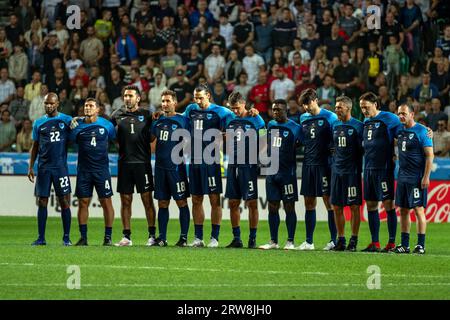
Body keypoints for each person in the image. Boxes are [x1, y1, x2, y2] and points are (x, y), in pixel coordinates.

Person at [111, 85, 157, 246]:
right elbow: (112, 137)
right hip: (124, 163)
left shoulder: (147, 115)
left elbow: (152, 138)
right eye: (125, 96)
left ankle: (152, 236)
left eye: (131, 96)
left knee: (147, 200)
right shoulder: (116, 115)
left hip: (142, 163)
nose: (127, 98)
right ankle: (126, 237)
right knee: (125, 200)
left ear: (138, 98)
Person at [359, 92, 402, 252]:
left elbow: (403, 132)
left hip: (384, 169)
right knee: (371, 205)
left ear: (375, 104)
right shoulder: (365, 120)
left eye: (367, 107)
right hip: (368, 168)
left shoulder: (389, 118)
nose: (364, 110)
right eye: (362, 107)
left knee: (388, 204)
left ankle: (391, 242)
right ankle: (375, 243)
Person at [28, 93, 72, 246]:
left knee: (64, 201)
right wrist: (31, 166)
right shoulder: (38, 123)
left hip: (60, 167)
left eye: (51, 103)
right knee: (42, 201)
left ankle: (66, 238)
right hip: (44, 168)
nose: (48, 106)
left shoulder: (66, 120)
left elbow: (76, 132)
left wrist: (76, 123)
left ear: (57, 103)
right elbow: (35, 146)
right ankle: (41, 238)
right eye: (46, 103)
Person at [70, 98, 116, 246]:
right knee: (83, 202)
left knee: (106, 201)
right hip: (84, 171)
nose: (88, 108)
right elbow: (70, 140)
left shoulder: (107, 125)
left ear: (98, 109)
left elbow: (115, 140)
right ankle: (83, 238)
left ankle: (108, 237)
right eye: (86, 106)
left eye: (91, 106)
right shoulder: (77, 126)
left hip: (102, 170)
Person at [298, 88, 338, 251]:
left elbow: (339, 133)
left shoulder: (330, 116)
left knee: (329, 202)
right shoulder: (303, 118)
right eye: (303, 105)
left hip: (324, 165)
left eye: (307, 103)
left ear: (315, 100)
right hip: (308, 164)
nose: (306, 107)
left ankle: (333, 240)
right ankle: (309, 241)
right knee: (308, 202)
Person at [259, 99, 302, 250]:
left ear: (287, 111)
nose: (276, 112)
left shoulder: (295, 127)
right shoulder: (270, 125)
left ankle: (290, 241)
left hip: (287, 174)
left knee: (289, 206)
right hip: (271, 173)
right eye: (274, 110)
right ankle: (273, 241)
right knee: (272, 206)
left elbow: (302, 144)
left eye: (279, 110)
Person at [150, 90, 191, 247]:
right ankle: (162, 238)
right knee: (162, 203)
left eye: (168, 101)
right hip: (160, 168)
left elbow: (190, 140)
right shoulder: (158, 121)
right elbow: (152, 141)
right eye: (163, 101)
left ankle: (184, 238)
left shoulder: (183, 120)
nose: (165, 104)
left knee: (181, 201)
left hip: (176, 168)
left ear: (175, 102)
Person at [224, 91, 265, 249]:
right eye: (232, 108)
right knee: (233, 202)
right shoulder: (230, 119)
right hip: (233, 164)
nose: (234, 111)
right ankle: (237, 238)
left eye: (236, 108)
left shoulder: (256, 118)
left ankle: (252, 239)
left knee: (252, 202)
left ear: (243, 104)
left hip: (248, 166)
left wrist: (255, 155)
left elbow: (264, 140)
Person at [394, 104, 433, 254]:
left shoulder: (422, 131)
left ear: (412, 114)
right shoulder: (400, 130)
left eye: (404, 113)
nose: (401, 116)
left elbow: (430, 155)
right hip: (402, 177)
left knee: (418, 210)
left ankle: (420, 245)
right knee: (403, 210)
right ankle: (405, 245)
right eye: (399, 114)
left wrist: (426, 177)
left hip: (416, 177)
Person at [330, 96, 364, 251]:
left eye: (339, 107)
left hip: (352, 172)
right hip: (337, 171)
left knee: (354, 206)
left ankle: (354, 239)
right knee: (336, 206)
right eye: (336, 107)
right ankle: (341, 239)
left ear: (348, 108)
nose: (337, 110)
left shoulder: (358, 126)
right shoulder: (335, 125)